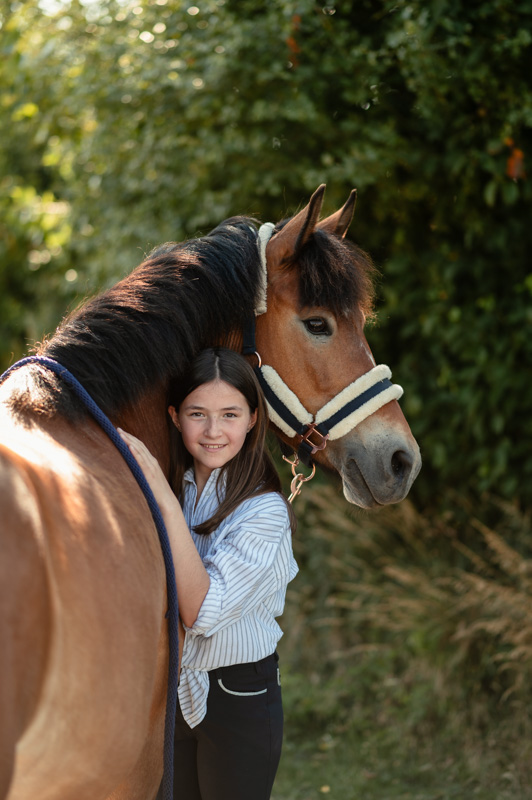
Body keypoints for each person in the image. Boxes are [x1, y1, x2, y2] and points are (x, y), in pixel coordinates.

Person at [119, 347, 298, 800]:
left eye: (230, 414)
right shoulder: (177, 488)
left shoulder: (264, 512)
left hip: (240, 696)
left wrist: (159, 495)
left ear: (254, 418)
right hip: (172, 693)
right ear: (175, 417)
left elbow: (202, 610)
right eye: (198, 413)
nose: (214, 431)